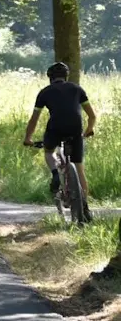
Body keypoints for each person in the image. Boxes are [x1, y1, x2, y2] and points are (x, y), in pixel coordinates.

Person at [23, 62, 96, 215]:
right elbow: (92, 116)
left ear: (50, 78)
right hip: (75, 128)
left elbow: (34, 119)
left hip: (55, 127)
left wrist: (28, 138)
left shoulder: (44, 92)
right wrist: (89, 130)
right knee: (79, 168)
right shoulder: (77, 89)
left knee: (49, 151)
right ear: (66, 76)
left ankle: (56, 173)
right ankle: (85, 209)